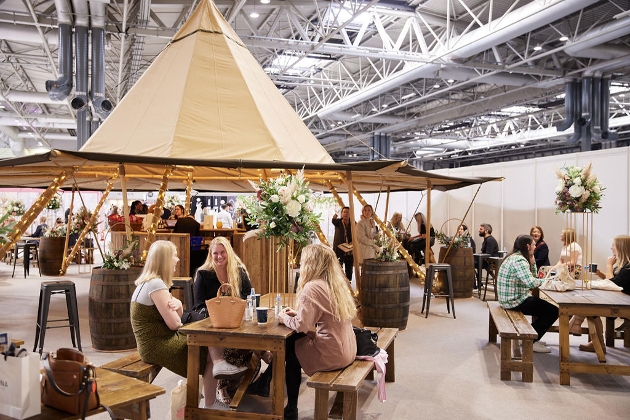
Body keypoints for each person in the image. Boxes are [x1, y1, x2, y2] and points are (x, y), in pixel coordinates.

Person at [130, 240, 245, 411]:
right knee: (204, 338)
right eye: (174, 256)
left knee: (203, 336)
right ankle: (212, 397)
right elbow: (175, 324)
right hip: (157, 345)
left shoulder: (148, 283)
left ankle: (213, 395)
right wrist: (178, 307)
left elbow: (176, 318)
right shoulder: (156, 284)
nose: (177, 260)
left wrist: (176, 304)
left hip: (153, 342)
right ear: (165, 259)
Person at [278, 244, 357, 420]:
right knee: (294, 342)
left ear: (311, 263)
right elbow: (318, 319)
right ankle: (269, 387)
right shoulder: (336, 285)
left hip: (333, 354)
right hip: (348, 349)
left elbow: (301, 326)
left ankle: (291, 408)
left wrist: (283, 318)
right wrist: (298, 316)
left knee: (290, 349)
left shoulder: (312, 287)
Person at [193, 237, 254, 404]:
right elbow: (197, 306)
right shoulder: (203, 274)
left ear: (228, 252)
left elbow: (250, 297)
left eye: (222, 252)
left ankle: (254, 369)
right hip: (213, 325)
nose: (219, 256)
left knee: (252, 343)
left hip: (238, 323)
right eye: (215, 253)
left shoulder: (239, 271)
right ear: (210, 255)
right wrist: (216, 313)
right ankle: (222, 385)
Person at [497, 234, 558, 353]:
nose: (535, 247)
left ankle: (534, 335)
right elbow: (531, 282)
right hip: (514, 301)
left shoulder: (514, 257)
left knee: (542, 306)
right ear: (528, 246)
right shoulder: (519, 260)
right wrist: (550, 281)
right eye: (534, 244)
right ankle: (530, 341)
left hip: (508, 299)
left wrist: (533, 261)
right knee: (553, 311)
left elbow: (532, 278)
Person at [569, 235, 630, 352]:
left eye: (613, 246)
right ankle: (596, 342)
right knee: (588, 300)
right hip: (619, 299)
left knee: (590, 306)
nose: (611, 248)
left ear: (621, 248)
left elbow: (612, 284)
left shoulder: (628, 268)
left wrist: (608, 265)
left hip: (623, 303)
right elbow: (614, 281)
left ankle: (577, 324)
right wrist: (600, 273)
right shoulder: (624, 265)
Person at [332, 206, 353, 281]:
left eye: (347, 212)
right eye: (344, 212)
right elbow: (333, 221)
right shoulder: (338, 222)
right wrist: (334, 216)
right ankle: (340, 287)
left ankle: (349, 288)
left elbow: (357, 234)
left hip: (349, 252)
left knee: (349, 271)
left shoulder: (353, 223)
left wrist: (353, 241)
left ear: (351, 214)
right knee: (338, 270)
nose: (345, 214)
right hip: (339, 250)